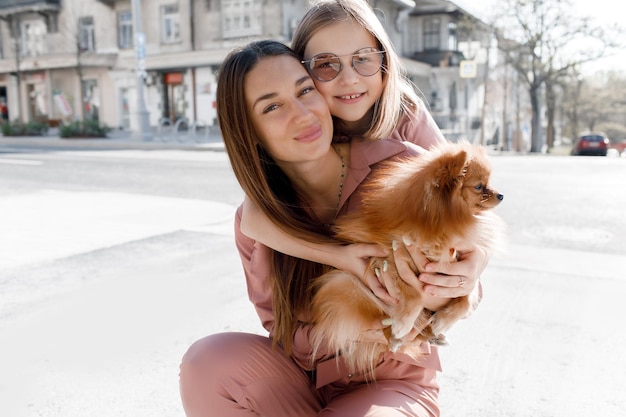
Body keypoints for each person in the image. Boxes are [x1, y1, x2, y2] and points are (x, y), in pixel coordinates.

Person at [179, 40, 486, 417]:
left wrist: (452, 286)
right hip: (302, 381)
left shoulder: (402, 165)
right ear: (250, 131)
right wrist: (345, 324)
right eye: (272, 106)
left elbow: (461, 267)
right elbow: (281, 327)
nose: (302, 114)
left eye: (305, 90)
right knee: (208, 361)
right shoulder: (257, 222)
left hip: (391, 382)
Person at [241, 0, 486, 306]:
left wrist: (475, 268)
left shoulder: (406, 117)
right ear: (300, 71)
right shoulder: (305, 127)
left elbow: (465, 211)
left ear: (385, 61)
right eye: (326, 64)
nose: (349, 79)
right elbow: (250, 217)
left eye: (364, 59)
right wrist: (337, 256)